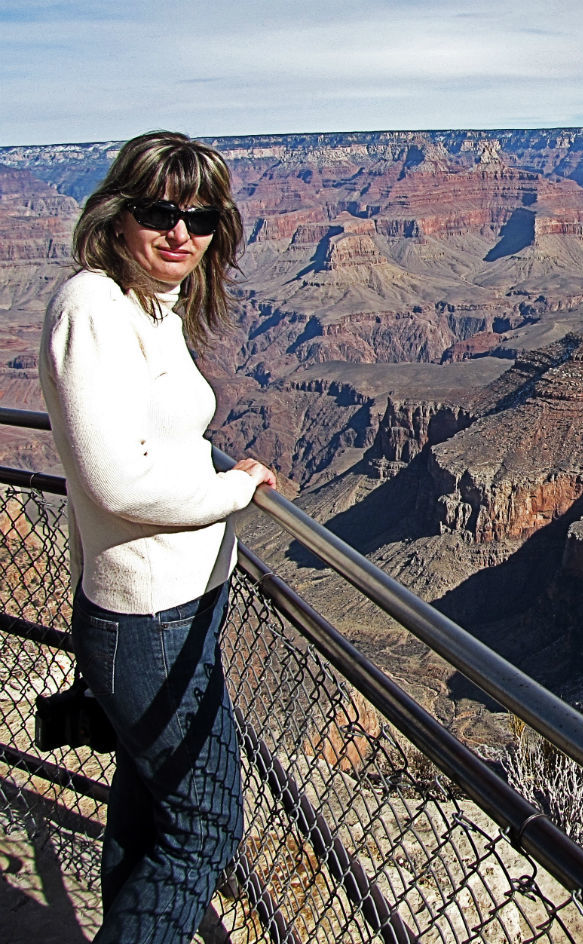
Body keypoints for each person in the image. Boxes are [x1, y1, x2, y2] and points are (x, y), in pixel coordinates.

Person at [38, 130, 276, 943]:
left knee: (147, 814)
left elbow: (155, 437)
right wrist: (235, 486)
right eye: (159, 212)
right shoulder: (92, 306)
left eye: (202, 218)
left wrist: (212, 461)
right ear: (118, 213)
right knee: (204, 828)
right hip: (147, 623)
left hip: (185, 607)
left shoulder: (151, 304)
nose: (181, 233)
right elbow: (116, 482)